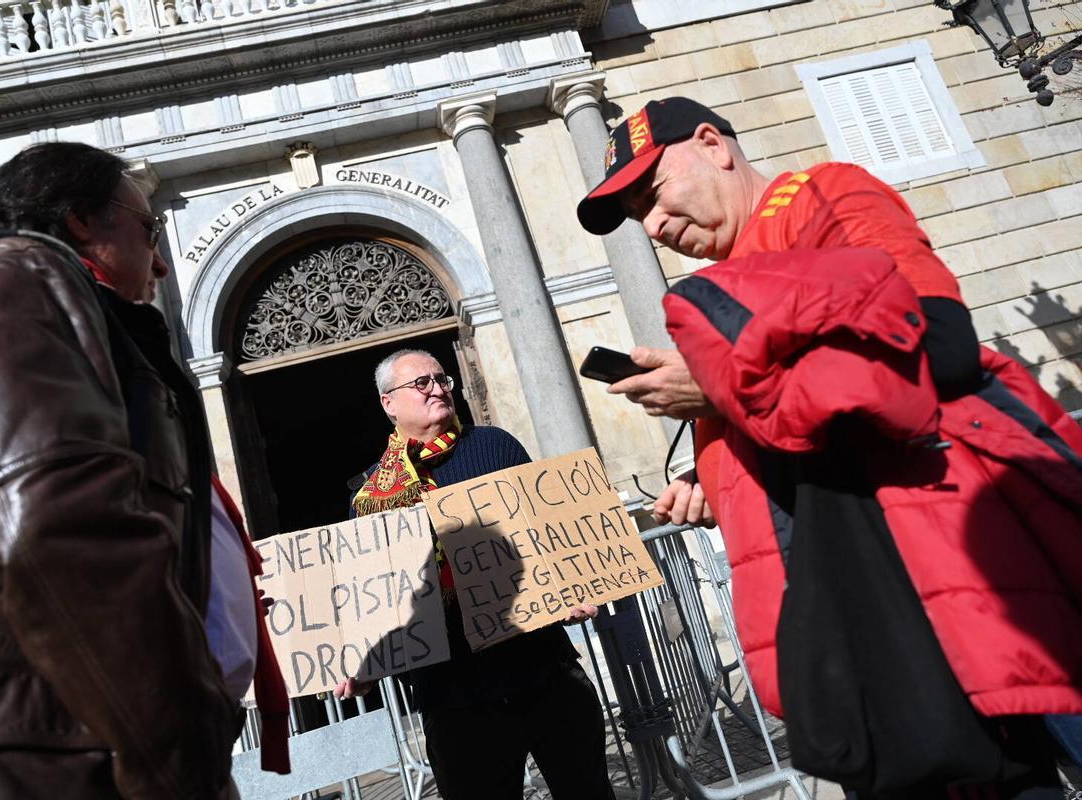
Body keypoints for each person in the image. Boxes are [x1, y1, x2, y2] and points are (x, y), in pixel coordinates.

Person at [576, 98, 1082, 797]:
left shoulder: (824, 196)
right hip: (846, 615)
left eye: (653, 194)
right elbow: (795, 439)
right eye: (639, 219)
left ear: (712, 144)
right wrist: (711, 479)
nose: (655, 226)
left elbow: (939, 349)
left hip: (930, 589)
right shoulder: (721, 293)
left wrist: (721, 390)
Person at [0, 142, 255, 799]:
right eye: (149, 229)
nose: (162, 262)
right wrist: (179, 756)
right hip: (80, 752)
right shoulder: (21, 281)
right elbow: (62, 537)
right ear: (82, 219)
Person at [336, 348, 615, 800]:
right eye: (421, 383)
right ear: (388, 403)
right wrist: (371, 660)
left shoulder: (495, 445)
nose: (438, 388)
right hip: (454, 700)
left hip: (543, 672)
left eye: (442, 378)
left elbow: (549, 531)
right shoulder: (368, 496)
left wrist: (572, 584)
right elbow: (378, 599)